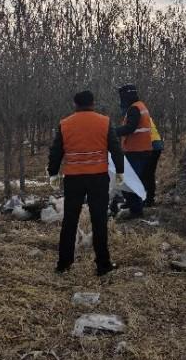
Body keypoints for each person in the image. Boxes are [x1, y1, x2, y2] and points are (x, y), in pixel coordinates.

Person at [48, 90, 123, 276]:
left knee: (70, 222)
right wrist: (120, 170)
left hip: (73, 179)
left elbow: (56, 151)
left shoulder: (65, 124)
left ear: (75, 104)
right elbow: (116, 148)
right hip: (98, 178)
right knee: (99, 221)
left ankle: (63, 264)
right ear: (93, 102)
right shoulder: (104, 122)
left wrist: (53, 173)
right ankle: (103, 265)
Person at [115, 84, 153, 218]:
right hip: (141, 149)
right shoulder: (140, 106)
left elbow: (130, 128)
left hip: (137, 150)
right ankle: (134, 205)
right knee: (133, 180)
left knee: (128, 181)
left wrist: (113, 132)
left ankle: (136, 211)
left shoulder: (134, 108)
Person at [143, 117, 164, 207]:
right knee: (149, 173)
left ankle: (149, 199)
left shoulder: (137, 116)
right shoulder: (147, 116)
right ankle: (149, 198)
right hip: (157, 145)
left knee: (147, 173)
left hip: (151, 145)